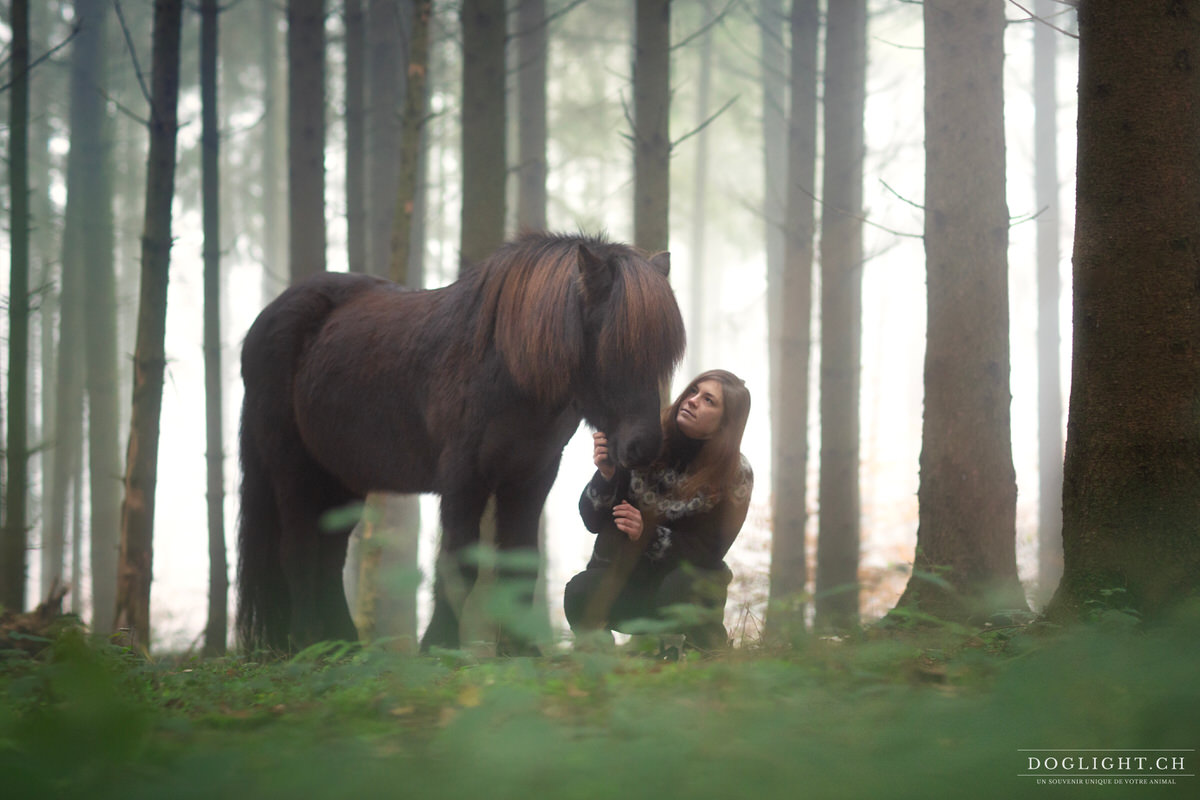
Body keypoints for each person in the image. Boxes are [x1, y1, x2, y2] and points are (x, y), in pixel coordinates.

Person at [563, 369, 753, 653]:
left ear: (724, 425)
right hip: (630, 582)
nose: (692, 401)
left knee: (683, 584)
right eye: (693, 391)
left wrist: (647, 534)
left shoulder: (735, 473)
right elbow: (593, 520)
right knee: (579, 591)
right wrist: (607, 475)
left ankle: (701, 648)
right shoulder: (644, 443)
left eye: (708, 401)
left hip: (685, 591)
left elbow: (711, 551)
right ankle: (598, 653)